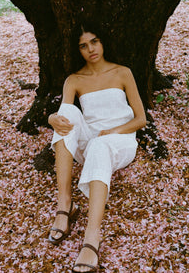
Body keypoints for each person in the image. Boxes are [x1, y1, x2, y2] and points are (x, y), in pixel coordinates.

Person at [48, 19, 146, 273]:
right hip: (91, 140)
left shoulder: (122, 72)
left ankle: (92, 237)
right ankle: (65, 204)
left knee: (101, 145)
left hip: (120, 141)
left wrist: (113, 131)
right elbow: (65, 114)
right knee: (68, 111)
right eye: (83, 46)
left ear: (103, 42)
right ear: (77, 50)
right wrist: (51, 118)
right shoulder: (74, 79)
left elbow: (141, 119)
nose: (90, 49)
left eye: (94, 41)